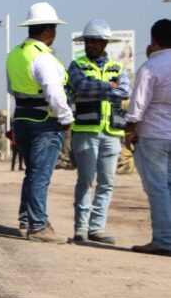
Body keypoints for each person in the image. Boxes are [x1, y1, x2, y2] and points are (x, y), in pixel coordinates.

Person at [6, 2, 74, 242]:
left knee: (32, 173)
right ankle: (38, 225)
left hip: (22, 121)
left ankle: (26, 219)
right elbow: (54, 93)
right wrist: (66, 119)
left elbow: (12, 89)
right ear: (48, 30)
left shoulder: (16, 55)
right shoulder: (43, 58)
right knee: (40, 175)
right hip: (45, 123)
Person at [66, 19, 130, 244]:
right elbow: (80, 86)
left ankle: (97, 228)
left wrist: (99, 89)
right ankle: (81, 228)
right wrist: (108, 87)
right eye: (88, 41)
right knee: (85, 179)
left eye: (95, 41)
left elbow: (124, 92)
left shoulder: (118, 67)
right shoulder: (77, 65)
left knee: (106, 182)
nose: (90, 45)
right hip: (86, 130)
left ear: (104, 43)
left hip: (112, 132)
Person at [124, 19, 171, 256]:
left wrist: (129, 130)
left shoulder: (151, 67)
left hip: (154, 135)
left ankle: (164, 240)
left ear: (154, 40)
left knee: (158, 189)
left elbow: (137, 106)